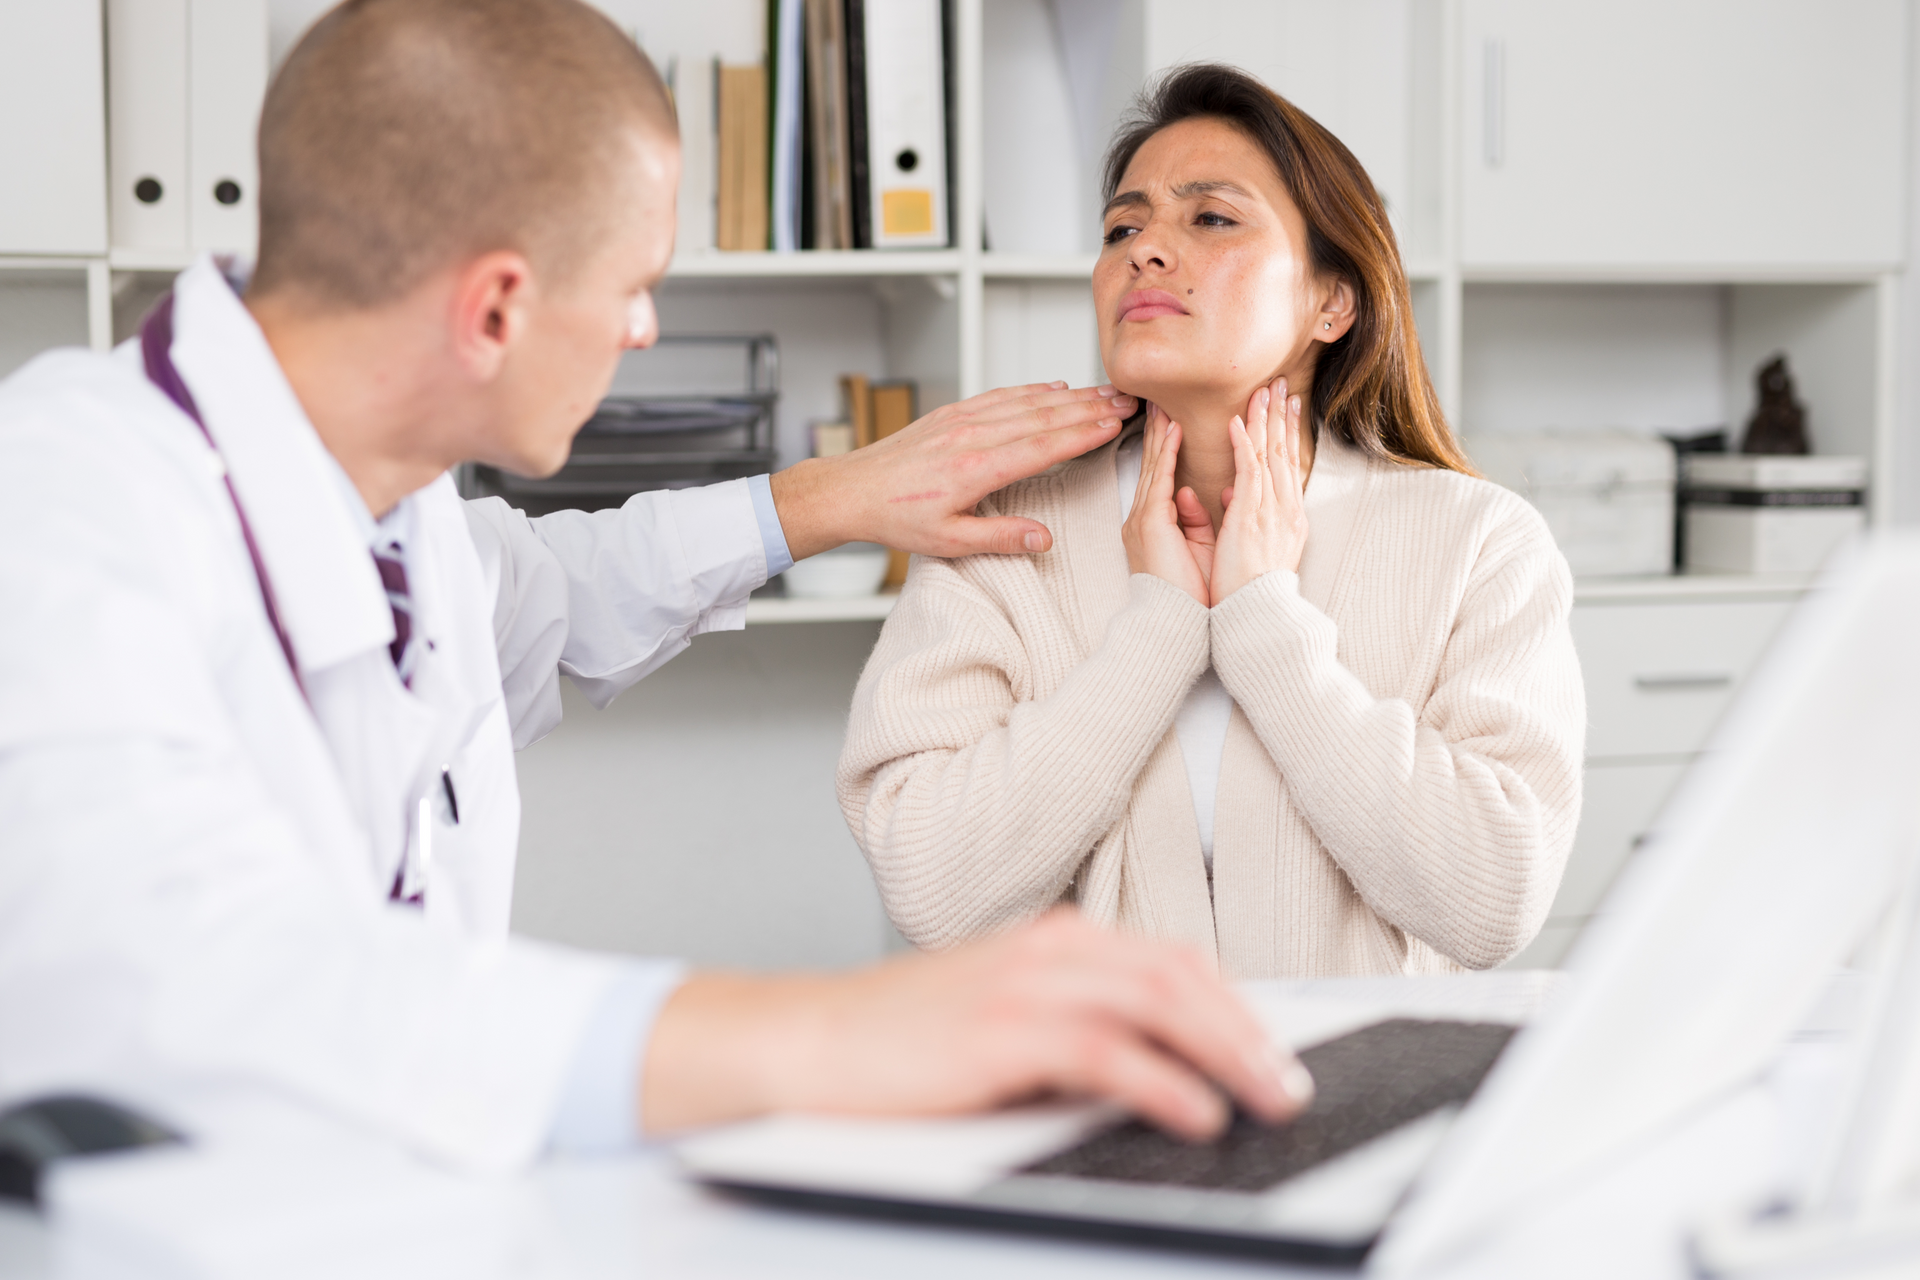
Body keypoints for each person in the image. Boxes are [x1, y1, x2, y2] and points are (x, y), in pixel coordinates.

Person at [0, 1, 1315, 1173]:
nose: (640, 330)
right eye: (632, 288)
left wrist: (832, 496)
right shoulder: (67, 512)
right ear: (497, 310)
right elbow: (210, 979)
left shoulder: (397, 514)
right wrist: (840, 1027)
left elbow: (560, 594)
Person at [838, 65, 1586, 978]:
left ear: (1332, 301)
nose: (1144, 252)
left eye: (1212, 218)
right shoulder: (999, 532)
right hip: (1092, 1101)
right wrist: (1155, 628)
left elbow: (1494, 900)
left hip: (1363, 1100)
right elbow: (929, 884)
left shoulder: (1478, 543)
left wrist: (1266, 620)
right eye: (1123, 227)